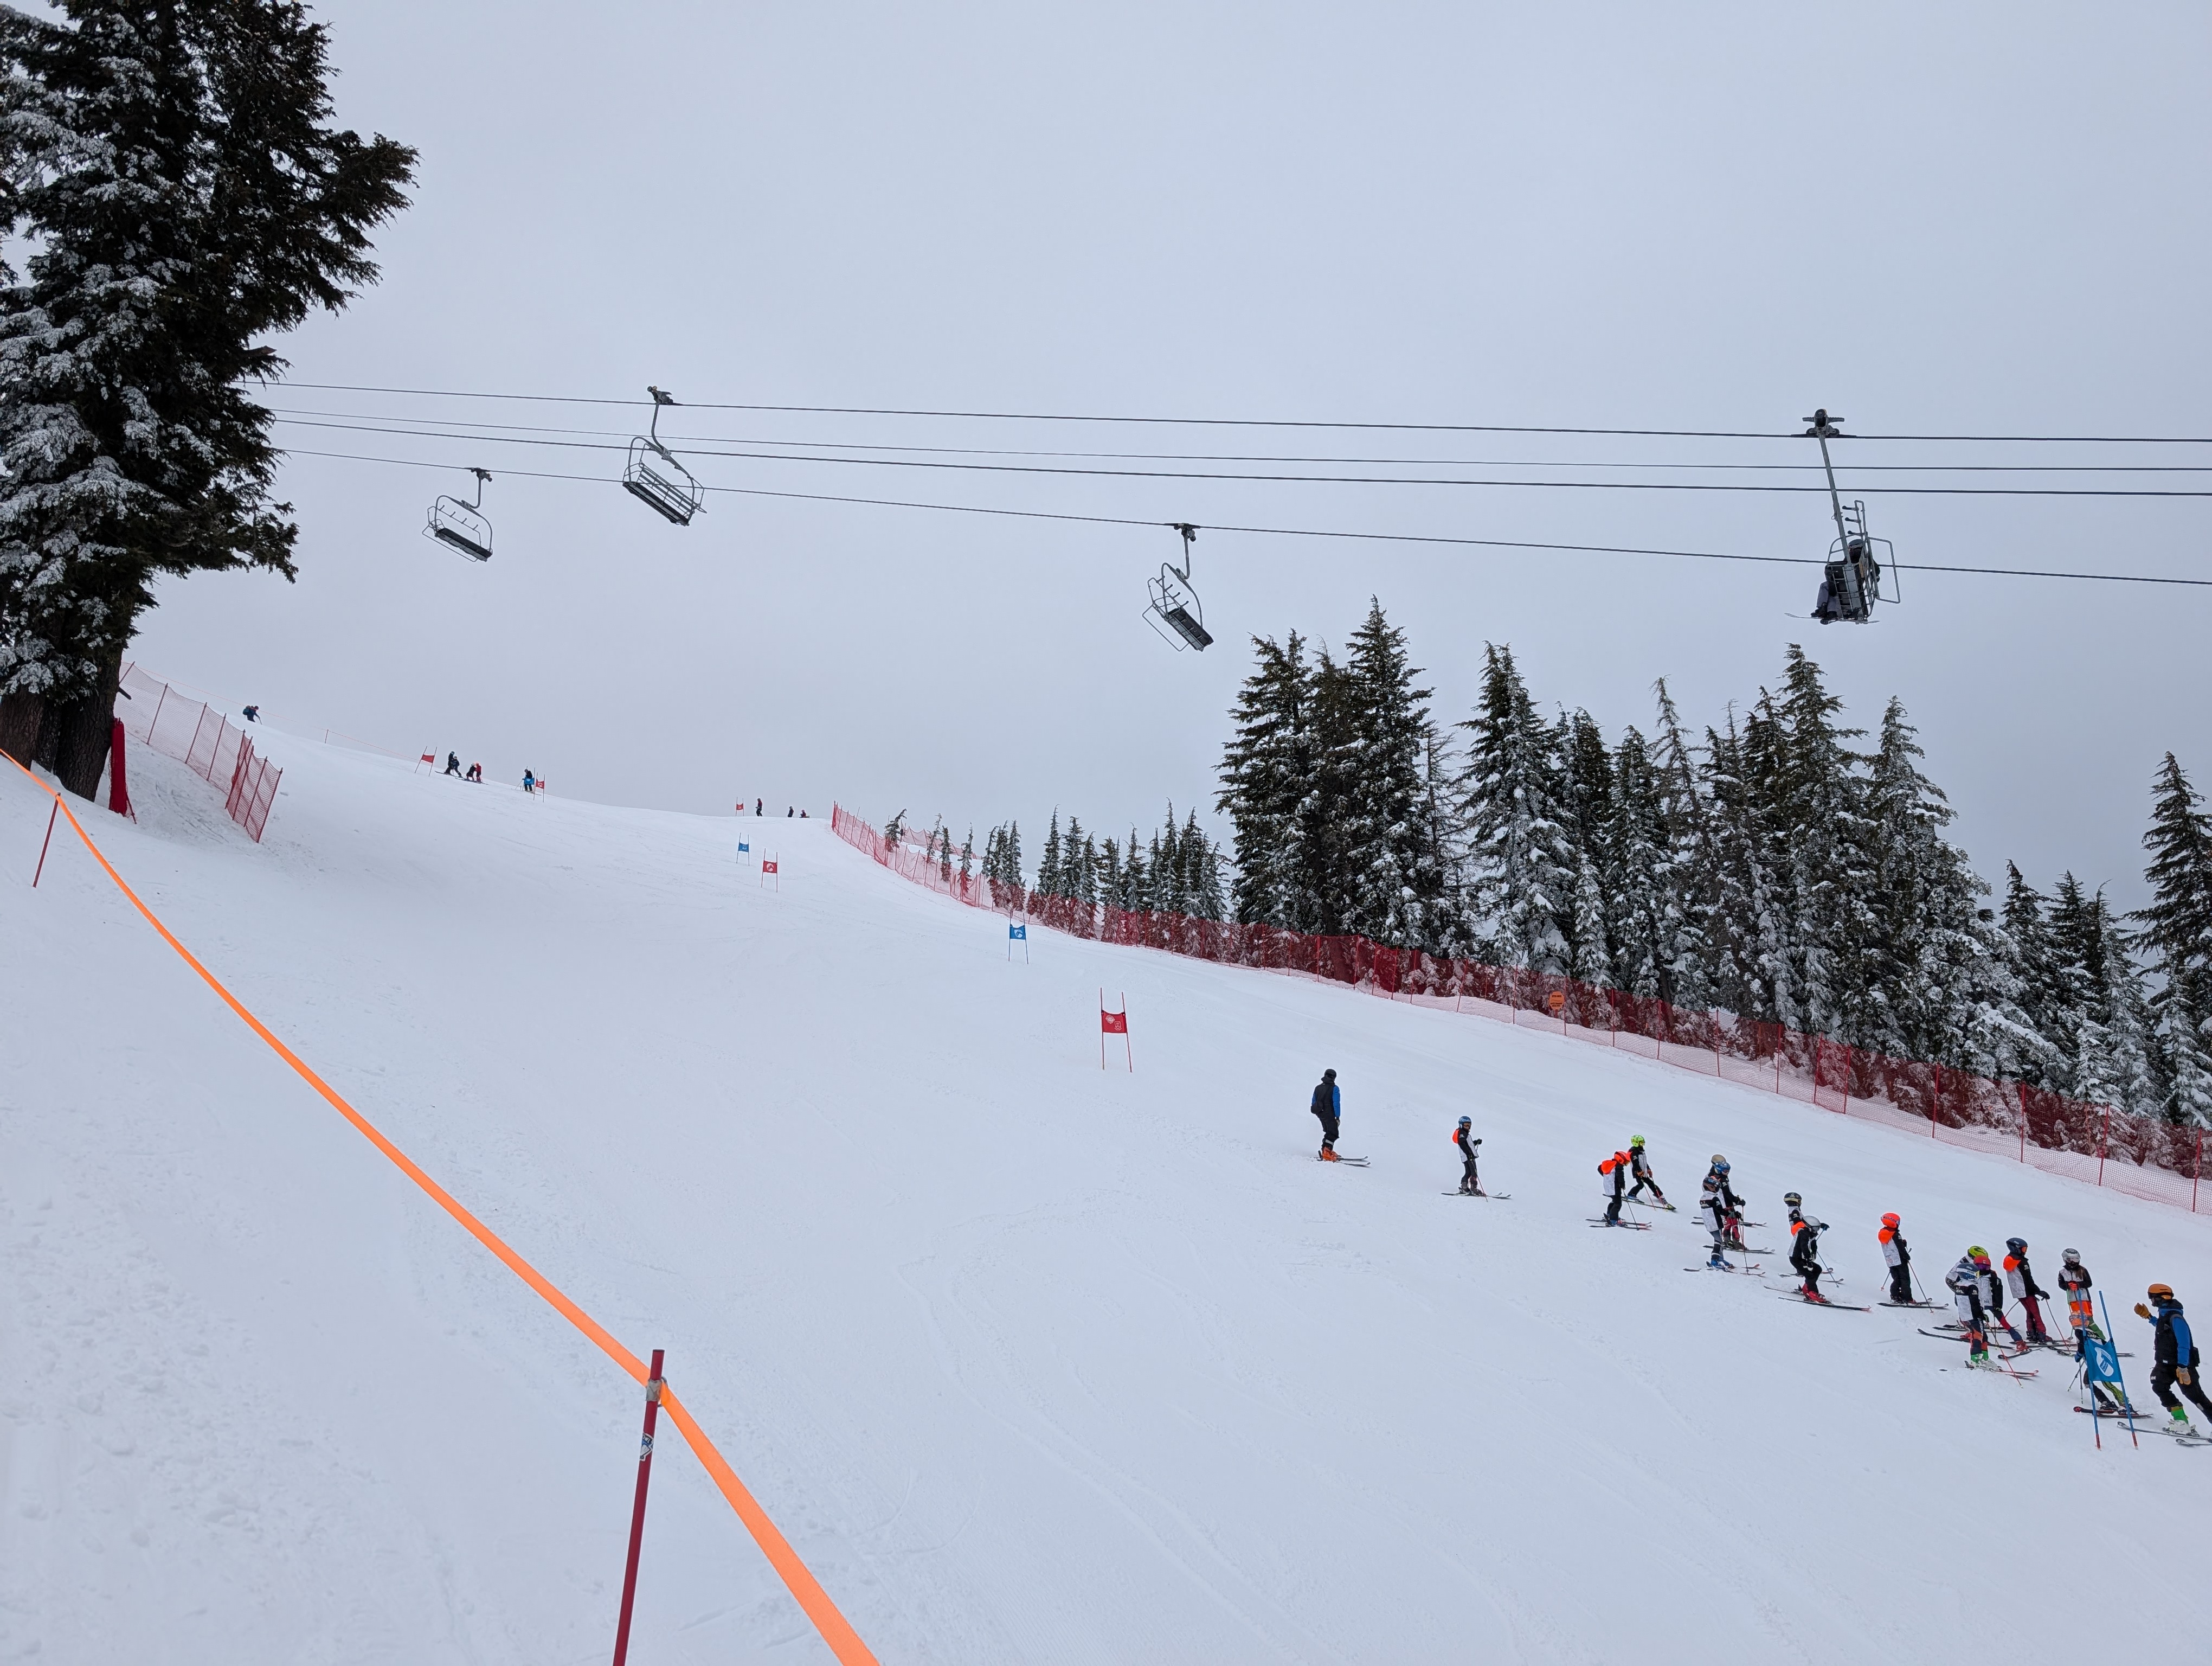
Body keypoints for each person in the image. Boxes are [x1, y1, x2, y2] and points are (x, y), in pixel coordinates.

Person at [2133, 1284, 2212, 1430]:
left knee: (2196, 1396)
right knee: (2159, 1386)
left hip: (2182, 1366)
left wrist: (2183, 1368)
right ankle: (2181, 1421)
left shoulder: (2176, 1318)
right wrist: (2149, 1317)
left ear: (2161, 1298)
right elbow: (2163, 1327)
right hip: (2165, 1363)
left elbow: (2184, 1344)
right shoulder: (2165, 1315)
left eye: (2153, 1298)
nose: (2152, 1301)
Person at [2058, 1252, 2125, 1412]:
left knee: (2098, 1379)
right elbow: (2062, 1285)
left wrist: (2080, 1353)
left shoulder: (2082, 1270)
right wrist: (2068, 1286)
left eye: (2076, 1259)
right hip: (2073, 1300)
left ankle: (2121, 1402)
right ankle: (2111, 1401)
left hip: (2084, 1300)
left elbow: (2089, 1283)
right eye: (2071, 1259)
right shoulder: (2062, 1272)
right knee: (2095, 1380)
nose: (2073, 1262)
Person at [1971, 1248, 2025, 1349]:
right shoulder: (1972, 1277)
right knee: (1975, 1321)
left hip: (1992, 1304)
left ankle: (2019, 1340)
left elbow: (1999, 1293)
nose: (1983, 1269)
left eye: (1986, 1267)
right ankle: (1976, 1336)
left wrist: (1998, 1306)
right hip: (1979, 1304)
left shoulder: (1994, 1278)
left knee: (2004, 1322)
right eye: (1981, 1267)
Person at [1947, 1250, 1995, 1366]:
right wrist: (1981, 1314)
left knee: (1983, 1336)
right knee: (1978, 1336)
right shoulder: (1972, 1286)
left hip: (1965, 1316)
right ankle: (1976, 1360)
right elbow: (1974, 1303)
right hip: (1974, 1316)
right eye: (1976, 1274)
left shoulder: (1959, 1285)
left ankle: (1985, 1359)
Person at [2002, 1239, 2053, 1343]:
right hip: (2026, 1290)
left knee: (2030, 1311)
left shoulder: (2010, 1260)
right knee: (2035, 1312)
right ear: (2016, 1249)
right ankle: (2041, 1334)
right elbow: (2027, 1279)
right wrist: (2037, 1291)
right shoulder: (2020, 1261)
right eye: (2023, 1249)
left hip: (2018, 1291)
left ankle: (2032, 1333)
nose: (2025, 1251)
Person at [1785, 1193, 1829, 1302]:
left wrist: (1819, 1225)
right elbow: (1804, 1247)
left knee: (1817, 1269)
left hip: (1800, 1257)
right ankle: (1812, 1293)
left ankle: (1807, 1289)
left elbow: (1806, 1224)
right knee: (1810, 1275)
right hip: (1796, 1258)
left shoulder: (1809, 1232)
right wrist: (1809, 1261)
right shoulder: (1803, 1231)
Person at [1699, 1156, 1740, 1268]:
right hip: (1715, 1223)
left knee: (1719, 1240)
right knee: (1718, 1241)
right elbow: (1720, 1211)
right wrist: (1732, 1213)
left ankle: (1720, 1258)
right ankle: (1715, 1260)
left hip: (1710, 1223)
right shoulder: (1714, 1198)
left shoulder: (1704, 1197)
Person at [1877, 1213, 1914, 1304]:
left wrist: (1901, 1243)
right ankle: (1907, 1298)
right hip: (1900, 1260)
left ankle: (1895, 1296)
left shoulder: (1883, 1233)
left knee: (1896, 1278)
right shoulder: (1895, 1234)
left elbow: (1891, 1245)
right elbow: (1900, 1247)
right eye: (1898, 1222)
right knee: (1905, 1279)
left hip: (1890, 1260)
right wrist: (1906, 1256)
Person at [1625, 1136, 1668, 1207]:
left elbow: (1645, 1163)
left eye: (1643, 1143)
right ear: (1636, 1143)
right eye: (1641, 1143)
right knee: (1641, 1184)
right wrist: (1639, 1171)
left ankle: (1659, 1195)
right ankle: (1631, 1194)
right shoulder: (1634, 1152)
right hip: (1638, 1173)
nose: (1643, 1144)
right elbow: (1635, 1163)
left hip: (1644, 1172)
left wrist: (1648, 1169)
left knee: (1651, 1184)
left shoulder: (1642, 1151)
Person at [1310, 1068, 1341, 1161]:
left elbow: (1314, 1102)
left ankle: (1327, 1150)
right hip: (1330, 1113)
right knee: (1333, 1133)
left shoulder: (1318, 1088)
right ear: (1334, 1077)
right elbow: (1336, 1103)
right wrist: (1337, 1116)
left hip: (1320, 1113)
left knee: (1329, 1131)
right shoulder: (1335, 1088)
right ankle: (1327, 1152)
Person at [1598, 1148, 1630, 1223]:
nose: (1626, 1164)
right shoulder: (1619, 1166)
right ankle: (1613, 1220)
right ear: (1621, 1159)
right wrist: (1622, 1185)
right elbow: (1620, 1176)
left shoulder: (1610, 1164)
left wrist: (1607, 1178)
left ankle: (1610, 1215)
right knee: (1618, 1204)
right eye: (1626, 1162)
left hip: (1609, 1187)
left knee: (1614, 1201)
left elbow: (1600, 1168)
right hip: (1615, 1188)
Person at [1454, 1117, 1483, 1195]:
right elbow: (1462, 1144)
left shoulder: (1464, 1133)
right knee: (1474, 1172)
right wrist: (1469, 1154)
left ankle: (1464, 1188)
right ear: (1461, 1125)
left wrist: (1476, 1142)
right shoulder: (1462, 1133)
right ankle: (1474, 1189)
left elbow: (1468, 1145)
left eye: (1469, 1125)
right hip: (1468, 1156)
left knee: (1469, 1172)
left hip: (1466, 1156)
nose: (1468, 1127)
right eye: (1466, 1125)